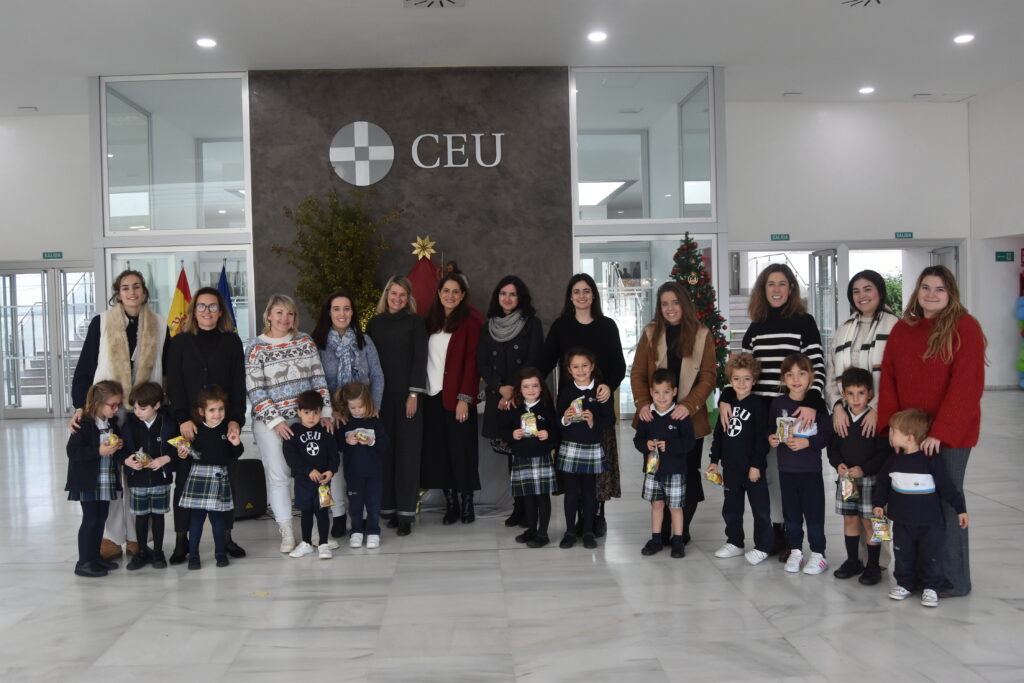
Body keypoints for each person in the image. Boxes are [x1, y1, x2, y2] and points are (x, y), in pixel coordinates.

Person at [877, 265, 986, 598]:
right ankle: (921, 578)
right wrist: (895, 431)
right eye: (926, 287)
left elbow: (967, 385)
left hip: (948, 437)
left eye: (940, 289)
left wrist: (941, 431)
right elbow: (890, 380)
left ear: (951, 293)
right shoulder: (903, 330)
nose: (931, 294)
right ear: (917, 291)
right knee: (914, 507)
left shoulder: (965, 327)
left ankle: (952, 580)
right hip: (910, 436)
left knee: (946, 504)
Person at [719, 263, 827, 560]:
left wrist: (812, 402)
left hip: (790, 410)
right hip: (759, 412)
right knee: (765, 477)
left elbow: (816, 366)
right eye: (770, 284)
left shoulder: (804, 322)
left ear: (791, 289)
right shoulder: (755, 328)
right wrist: (728, 394)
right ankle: (774, 532)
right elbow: (744, 370)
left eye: (782, 284)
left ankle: (791, 536)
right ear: (762, 290)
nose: (776, 289)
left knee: (786, 476)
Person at [70, 269, 168, 560]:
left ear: (144, 291)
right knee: (112, 474)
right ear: (118, 292)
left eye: (136, 287)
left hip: (144, 410)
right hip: (110, 410)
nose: (132, 292)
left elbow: (167, 368)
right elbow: (86, 365)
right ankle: (112, 537)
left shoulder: (160, 324)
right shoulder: (101, 322)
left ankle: (139, 537)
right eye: (125, 287)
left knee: (141, 471)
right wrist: (80, 405)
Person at [537, 274, 625, 536]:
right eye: (576, 291)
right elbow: (544, 361)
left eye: (587, 291)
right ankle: (576, 518)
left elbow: (619, 364)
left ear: (594, 295)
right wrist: (526, 388)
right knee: (574, 469)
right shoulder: (561, 326)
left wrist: (608, 385)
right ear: (570, 296)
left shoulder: (607, 326)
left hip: (599, 405)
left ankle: (597, 515)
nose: (582, 296)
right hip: (570, 407)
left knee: (599, 466)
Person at [165, 286, 248, 564]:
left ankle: (225, 538)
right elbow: (174, 384)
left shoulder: (232, 342)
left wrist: (236, 418)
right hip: (190, 425)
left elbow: (238, 384)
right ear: (193, 310)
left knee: (226, 481)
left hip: (222, 423)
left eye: (212, 306)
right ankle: (181, 541)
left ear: (221, 311)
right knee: (185, 483)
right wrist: (182, 418)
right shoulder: (179, 342)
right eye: (201, 306)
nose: (207, 312)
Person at [245, 294, 333, 553]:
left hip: (308, 420)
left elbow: (318, 378)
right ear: (269, 315)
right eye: (280, 312)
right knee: (280, 476)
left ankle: (318, 531)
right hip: (272, 424)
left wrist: (325, 412)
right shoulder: (256, 348)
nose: (285, 318)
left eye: (290, 313)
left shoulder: (305, 342)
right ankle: (286, 532)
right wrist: (276, 420)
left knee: (313, 474)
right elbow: (255, 389)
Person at [631, 281, 716, 545]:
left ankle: (681, 531)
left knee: (687, 474)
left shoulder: (701, 334)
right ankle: (661, 531)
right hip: (655, 417)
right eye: (664, 303)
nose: (670, 308)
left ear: (685, 304)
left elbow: (708, 375)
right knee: (658, 472)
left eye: (675, 302)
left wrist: (688, 405)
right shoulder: (651, 333)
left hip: (689, 419)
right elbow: (637, 373)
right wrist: (643, 403)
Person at [874, 409, 969, 608]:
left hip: (930, 524)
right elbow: (882, 483)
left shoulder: (930, 460)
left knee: (931, 556)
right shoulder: (893, 460)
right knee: (903, 554)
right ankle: (905, 584)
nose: (889, 435)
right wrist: (878, 504)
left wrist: (960, 509)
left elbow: (947, 487)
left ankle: (931, 587)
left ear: (909, 438)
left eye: (893, 432)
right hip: (901, 522)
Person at [312, 290, 385, 539]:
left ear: (352, 312)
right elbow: (316, 379)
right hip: (332, 417)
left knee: (360, 468)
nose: (342, 314)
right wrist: (331, 411)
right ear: (328, 312)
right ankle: (339, 515)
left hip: (362, 415)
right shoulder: (318, 343)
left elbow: (376, 375)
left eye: (346, 308)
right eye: (336, 309)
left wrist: (373, 408)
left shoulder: (365, 341)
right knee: (336, 468)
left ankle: (363, 519)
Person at [478, 275, 544, 528]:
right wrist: (499, 387)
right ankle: (518, 507)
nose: (507, 298)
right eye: (503, 293)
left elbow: (535, 359)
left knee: (527, 454)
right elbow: (482, 362)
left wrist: (515, 390)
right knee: (511, 455)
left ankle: (532, 510)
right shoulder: (489, 327)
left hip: (524, 398)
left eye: (512, 294)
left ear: (520, 298)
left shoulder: (532, 324)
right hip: (500, 399)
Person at [420, 273, 484, 525]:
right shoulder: (429, 322)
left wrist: (464, 398)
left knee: (463, 451)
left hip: (457, 398)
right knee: (439, 453)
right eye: (446, 290)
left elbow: (472, 364)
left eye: (455, 291)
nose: (450, 295)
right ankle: (451, 503)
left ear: (463, 295)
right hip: (431, 397)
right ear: (438, 293)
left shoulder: (471, 322)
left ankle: (467, 503)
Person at [366, 276, 427, 536]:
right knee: (385, 453)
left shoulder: (415, 323)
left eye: (403, 295)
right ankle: (388, 510)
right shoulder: (374, 323)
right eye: (394, 294)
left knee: (407, 455)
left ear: (408, 297)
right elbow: (368, 361)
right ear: (387, 294)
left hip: (407, 398)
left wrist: (413, 393)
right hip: (381, 399)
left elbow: (419, 358)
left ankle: (405, 514)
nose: (398, 299)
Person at [768, 353, 834, 575]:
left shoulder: (817, 406)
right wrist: (772, 438)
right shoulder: (778, 403)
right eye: (790, 374)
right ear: (783, 378)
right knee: (792, 515)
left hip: (811, 471)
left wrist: (807, 442)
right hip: (786, 471)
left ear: (811, 377)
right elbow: (770, 429)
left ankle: (818, 553)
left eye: (801, 373)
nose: (796, 379)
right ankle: (796, 550)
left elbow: (827, 435)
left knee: (814, 515)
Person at [708, 353, 772, 566]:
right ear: (730, 381)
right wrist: (713, 461)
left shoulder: (759, 405)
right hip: (731, 468)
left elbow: (762, 440)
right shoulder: (727, 404)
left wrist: (756, 465)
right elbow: (719, 434)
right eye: (736, 379)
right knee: (731, 507)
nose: (741, 383)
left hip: (752, 469)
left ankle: (763, 546)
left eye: (746, 379)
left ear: (754, 380)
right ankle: (735, 542)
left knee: (760, 510)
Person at [827, 368, 889, 585]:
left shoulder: (876, 420)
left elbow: (884, 454)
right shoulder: (840, 418)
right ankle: (853, 560)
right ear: (843, 394)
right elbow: (832, 448)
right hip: (847, 481)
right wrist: (838, 465)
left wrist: (865, 469)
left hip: (871, 481)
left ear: (870, 393)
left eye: (860, 393)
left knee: (873, 521)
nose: (855, 399)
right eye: (850, 393)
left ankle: (874, 565)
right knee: (850, 519)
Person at [826, 269, 900, 439]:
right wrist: (837, 407)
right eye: (856, 291)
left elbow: (899, 378)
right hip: (846, 417)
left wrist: (876, 409)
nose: (861, 296)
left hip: (883, 418)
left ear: (880, 292)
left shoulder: (896, 328)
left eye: (868, 289)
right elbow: (831, 372)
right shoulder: (843, 329)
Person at [176, 385, 243, 570]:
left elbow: (235, 453)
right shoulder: (196, 430)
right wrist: (183, 452)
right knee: (196, 521)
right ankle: (194, 556)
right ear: (201, 411)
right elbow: (190, 454)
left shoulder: (226, 430)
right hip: (199, 477)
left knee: (218, 520)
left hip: (219, 477)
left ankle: (220, 553)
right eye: (212, 410)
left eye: (221, 409)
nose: (217, 414)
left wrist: (236, 443)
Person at [556, 348, 615, 550]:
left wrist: (593, 421)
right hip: (570, 447)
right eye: (575, 366)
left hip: (591, 446)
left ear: (592, 367)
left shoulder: (600, 391)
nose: (580, 370)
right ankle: (570, 531)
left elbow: (610, 420)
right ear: (569, 370)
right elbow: (557, 420)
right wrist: (565, 417)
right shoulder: (566, 391)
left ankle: (588, 531)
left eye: (584, 365)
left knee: (590, 492)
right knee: (571, 492)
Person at [633, 368, 695, 559]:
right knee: (656, 505)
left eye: (666, 392)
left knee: (675, 507)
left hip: (675, 471)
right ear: (651, 392)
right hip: (653, 472)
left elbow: (689, 442)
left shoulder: (680, 416)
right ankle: (656, 539)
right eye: (657, 392)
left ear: (674, 392)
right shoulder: (647, 416)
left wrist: (670, 445)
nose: (661, 397)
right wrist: (646, 445)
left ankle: (678, 540)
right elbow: (637, 440)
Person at [65, 380, 124, 578]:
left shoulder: (111, 423)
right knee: (90, 519)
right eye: (112, 405)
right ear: (99, 402)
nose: (116, 409)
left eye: (118, 405)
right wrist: (99, 450)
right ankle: (84, 562)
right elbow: (72, 451)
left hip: (106, 478)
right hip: (88, 479)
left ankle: (94, 556)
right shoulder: (84, 423)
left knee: (101, 518)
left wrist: (118, 446)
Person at [119, 381, 177, 571]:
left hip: (160, 478)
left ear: (157, 405)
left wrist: (165, 459)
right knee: (141, 517)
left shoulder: (167, 423)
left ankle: (158, 551)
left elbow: (180, 448)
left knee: (158, 516)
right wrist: (127, 461)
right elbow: (122, 449)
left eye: (142, 408)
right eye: (135, 407)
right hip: (137, 479)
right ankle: (141, 551)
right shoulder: (129, 424)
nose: (137, 411)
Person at [499, 367, 559, 548]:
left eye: (535, 386)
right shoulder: (514, 409)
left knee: (542, 497)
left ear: (541, 388)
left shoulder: (547, 408)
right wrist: (512, 434)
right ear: (520, 389)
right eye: (526, 386)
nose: (531, 390)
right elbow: (503, 430)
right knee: (528, 497)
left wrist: (548, 434)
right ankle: (531, 529)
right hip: (521, 457)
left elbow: (557, 431)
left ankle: (543, 533)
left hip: (541, 457)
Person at [283, 390, 341, 560]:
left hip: (323, 483)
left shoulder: (326, 432)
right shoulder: (293, 432)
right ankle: (306, 543)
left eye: (315, 413)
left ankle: (323, 543)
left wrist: (331, 470)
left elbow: (334, 455)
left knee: (323, 512)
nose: (311, 417)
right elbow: (291, 457)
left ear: (321, 412)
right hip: (303, 482)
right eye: (307, 413)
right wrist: (308, 470)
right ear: (299, 412)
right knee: (306, 512)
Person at [337, 382, 390, 550]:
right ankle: (356, 531)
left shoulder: (374, 422)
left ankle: (373, 531)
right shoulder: (345, 423)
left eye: (360, 406)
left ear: (368, 403)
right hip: (353, 474)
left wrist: (371, 441)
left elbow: (384, 444)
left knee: (374, 504)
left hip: (374, 474)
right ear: (347, 406)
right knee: (355, 505)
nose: (357, 410)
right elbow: (337, 446)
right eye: (353, 408)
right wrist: (347, 441)